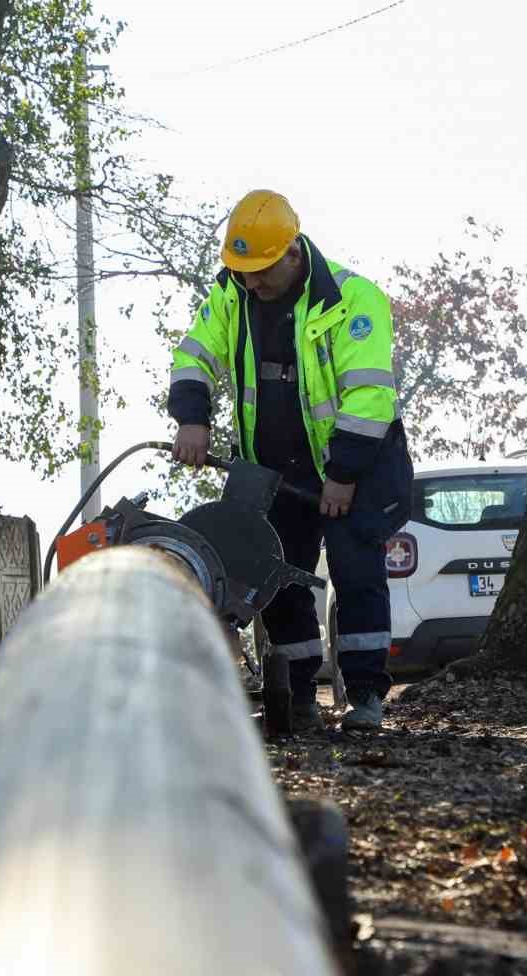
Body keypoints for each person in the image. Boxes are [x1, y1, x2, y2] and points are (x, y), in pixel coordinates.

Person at [168, 190, 413, 731]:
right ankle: (298, 697)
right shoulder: (231, 294)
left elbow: (370, 397)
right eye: (243, 271)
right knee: (274, 579)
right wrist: (191, 417)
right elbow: (193, 353)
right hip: (273, 471)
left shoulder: (354, 300)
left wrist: (343, 474)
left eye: (260, 272)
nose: (252, 283)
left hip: (356, 465)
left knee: (356, 575)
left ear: (293, 255)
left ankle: (366, 698)